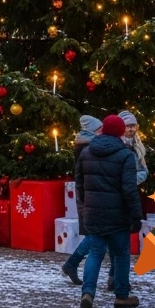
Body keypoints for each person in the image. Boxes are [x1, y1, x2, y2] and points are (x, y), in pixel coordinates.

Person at [74, 113, 142, 308]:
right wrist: (136, 215)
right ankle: (121, 296)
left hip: (93, 212)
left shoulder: (86, 152)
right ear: (121, 132)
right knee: (121, 254)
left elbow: (79, 183)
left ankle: (88, 293)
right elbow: (129, 189)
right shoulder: (126, 155)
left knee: (95, 253)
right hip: (118, 215)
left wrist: (86, 206)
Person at [61, 115, 103, 285]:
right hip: (89, 196)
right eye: (100, 130)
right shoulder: (88, 147)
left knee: (97, 235)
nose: (102, 132)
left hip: (88, 194)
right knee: (97, 235)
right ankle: (72, 264)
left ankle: (71, 264)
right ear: (92, 131)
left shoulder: (85, 144)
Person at [118, 110, 148, 185]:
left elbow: (143, 169)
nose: (132, 129)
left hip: (131, 187)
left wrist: (132, 180)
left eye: (134, 126)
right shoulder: (116, 143)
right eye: (128, 126)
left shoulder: (137, 144)